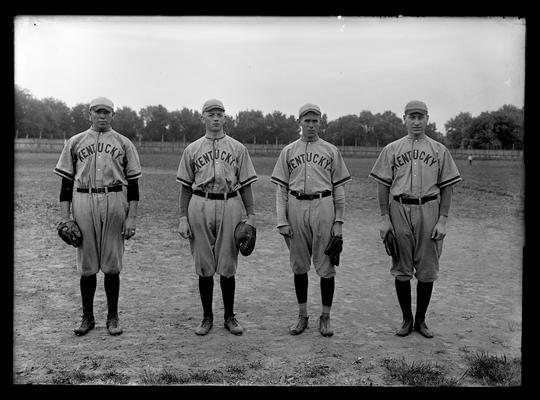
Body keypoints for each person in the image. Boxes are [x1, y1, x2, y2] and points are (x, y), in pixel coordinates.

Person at [369, 100, 462, 338]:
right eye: (412, 116)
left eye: (421, 116)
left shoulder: (439, 150)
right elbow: (382, 185)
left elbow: (447, 188)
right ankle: (406, 319)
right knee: (401, 268)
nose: (416, 121)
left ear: (427, 119)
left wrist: (443, 220)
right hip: (398, 208)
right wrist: (384, 218)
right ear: (405, 119)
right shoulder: (391, 149)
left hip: (429, 207)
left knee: (427, 268)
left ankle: (421, 320)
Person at [54, 97, 142, 336]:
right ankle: (87, 317)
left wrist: (131, 217)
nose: (102, 116)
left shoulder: (124, 143)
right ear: (89, 114)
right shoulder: (75, 141)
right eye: (98, 112)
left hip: (115, 199)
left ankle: (112, 317)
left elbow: (133, 185)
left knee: (112, 265)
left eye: (107, 112)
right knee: (87, 265)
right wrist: (66, 217)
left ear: (113, 115)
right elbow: (65, 183)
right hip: (82, 198)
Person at [176, 99, 257, 336]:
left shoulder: (238, 148)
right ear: (203, 118)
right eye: (210, 114)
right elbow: (185, 187)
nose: (215, 118)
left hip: (229, 202)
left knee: (228, 263)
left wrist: (251, 215)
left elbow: (246, 186)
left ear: (225, 118)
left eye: (219, 114)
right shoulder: (192, 149)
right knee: (204, 264)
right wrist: (182, 217)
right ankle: (206, 317)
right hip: (199, 203)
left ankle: (229, 317)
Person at [271, 103, 352, 337]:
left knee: (327, 266)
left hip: (323, 205)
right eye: (307, 120)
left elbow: (339, 190)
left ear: (320, 122)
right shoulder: (288, 151)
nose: (311, 124)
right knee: (299, 265)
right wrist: (281, 220)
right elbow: (281, 190)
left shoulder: (330, 150)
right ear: (299, 122)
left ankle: (325, 317)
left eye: (315, 120)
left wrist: (339, 221)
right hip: (295, 206)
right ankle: (302, 315)